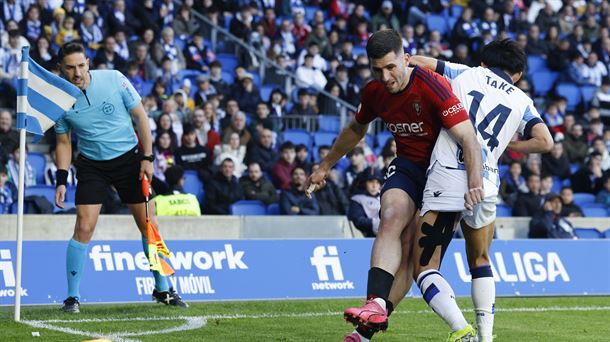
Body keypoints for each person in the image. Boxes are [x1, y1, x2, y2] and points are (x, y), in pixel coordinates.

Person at [305, 29, 482, 341]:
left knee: (414, 259)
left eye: (391, 67)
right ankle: (374, 303)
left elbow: (468, 137)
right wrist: (325, 166)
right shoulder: (374, 92)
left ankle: (365, 333)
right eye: (377, 69)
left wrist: (474, 182)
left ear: (406, 59)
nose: (385, 77)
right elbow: (355, 129)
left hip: (443, 174)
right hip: (408, 167)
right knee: (390, 217)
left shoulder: (431, 85)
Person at [387, 38, 553, 342]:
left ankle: (460, 329)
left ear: (485, 62)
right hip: (487, 182)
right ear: (516, 74)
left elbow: (422, 63)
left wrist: (406, 58)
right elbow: (546, 141)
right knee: (480, 260)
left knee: (424, 267)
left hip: (450, 174)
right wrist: (506, 145)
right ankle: (485, 338)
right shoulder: (521, 99)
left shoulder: (466, 73)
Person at [53, 42, 187, 313]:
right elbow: (64, 143)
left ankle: (163, 289)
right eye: (70, 68)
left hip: (129, 160)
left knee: (149, 225)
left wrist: (147, 158)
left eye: (81, 65)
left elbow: (141, 117)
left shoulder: (114, 79)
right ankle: (72, 297)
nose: (77, 72)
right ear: (61, 69)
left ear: (88, 62)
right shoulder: (59, 100)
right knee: (84, 227)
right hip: (92, 165)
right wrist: (61, 180)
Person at [348, 168, 383, 237]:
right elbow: (358, 221)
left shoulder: (385, 197)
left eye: (377, 182)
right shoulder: (357, 199)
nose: (374, 186)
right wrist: (375, 223)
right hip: (367, 237)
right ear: (364, 183)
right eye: (370, 182)